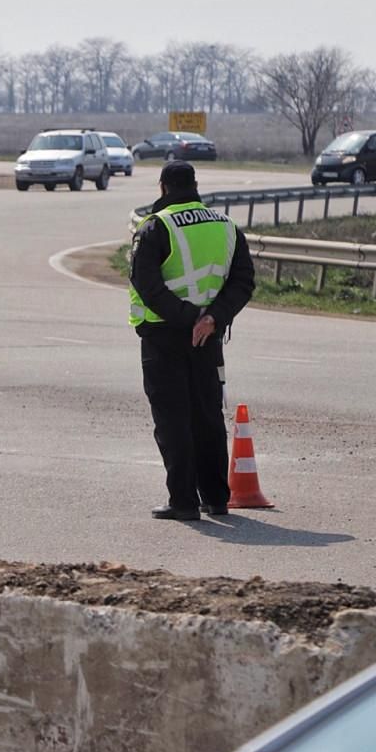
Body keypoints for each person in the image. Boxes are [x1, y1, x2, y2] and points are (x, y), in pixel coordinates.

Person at [128, 160, 256, 521]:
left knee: (173, 420)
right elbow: (243, 281)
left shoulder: (156, 227)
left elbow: (147, 286)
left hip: (164, 335)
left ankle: (183, 501)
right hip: (209, 337)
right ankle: (216, 497)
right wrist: (213, 317)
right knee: (207, 416)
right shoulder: (227, 225)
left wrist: (190, 318)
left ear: (163, 187)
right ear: (195, 185)